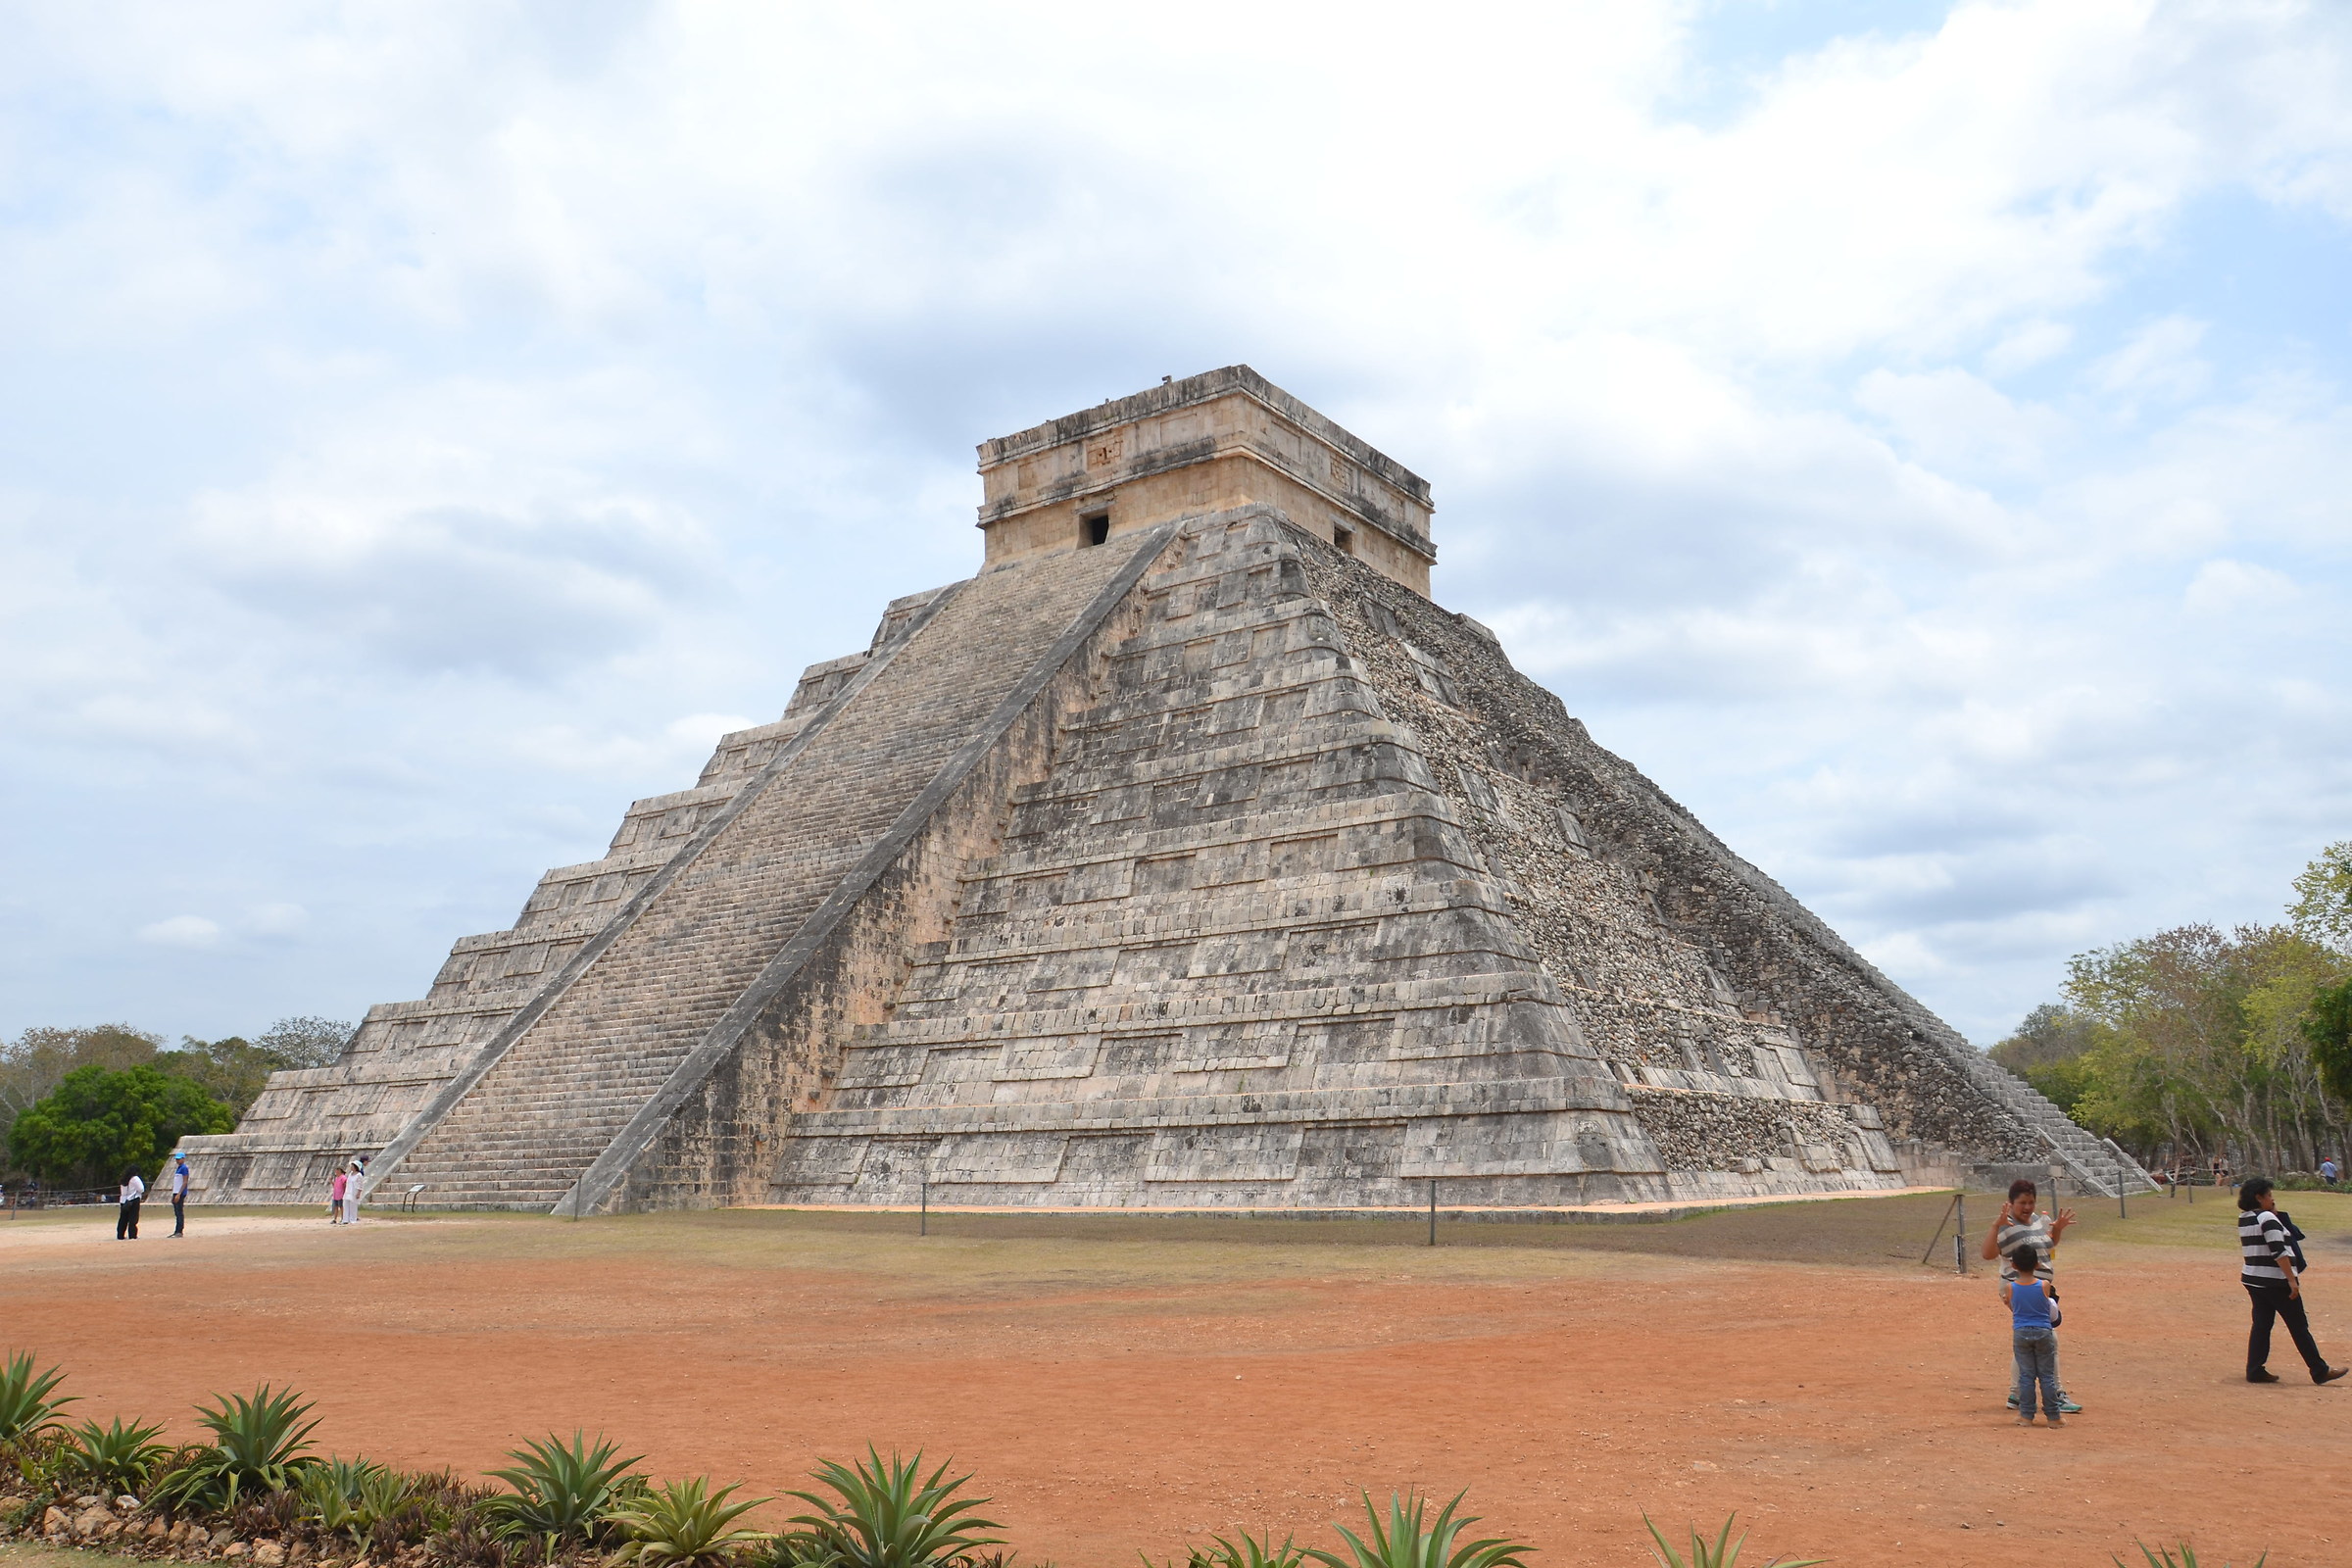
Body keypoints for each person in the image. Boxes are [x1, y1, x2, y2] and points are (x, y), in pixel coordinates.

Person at [1984, 1179, 2082, 1414]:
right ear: (2011, 1202)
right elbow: (1987, 1254)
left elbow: (2048, 1246)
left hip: (2040, 1287)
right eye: (2022, 1202)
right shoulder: (2005, 1225)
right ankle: (2055, 1393)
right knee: (2046, 1338)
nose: (2027, 1207)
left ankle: (2017, 1394)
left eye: (2031, 1202)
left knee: (2029, 1334)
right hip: (2017, 1287)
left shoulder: (2039, 1220)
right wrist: (1995, 1226)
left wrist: (2056, 1230)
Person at [2238, 1176, 2347, 1385]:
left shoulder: (2245, 1218)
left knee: (2261, 1324)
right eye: (2269, 1195)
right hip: (2275, 1281)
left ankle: (2255, 1369)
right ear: (2259, 1198)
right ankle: (2319, 1370)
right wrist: (2291, 1280)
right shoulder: (2268, 1219)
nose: (2272, 1199)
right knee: (2298, 1326)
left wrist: (2275, 1215)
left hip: (2253, 1279)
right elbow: (2279, 1252)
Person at [2002, 1244, 2063, 1426]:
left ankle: (2026, 1416)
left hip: (2021, 1332)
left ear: (2014, 1265)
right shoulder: (2045, 1285)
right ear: (2037, 1264)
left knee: (2026, 1376)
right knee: (2047, 1376)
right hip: (2043, 1331)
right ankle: (2054, 1417)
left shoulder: (2010, 1287)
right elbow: (2048, 1306)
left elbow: (2015, 1309)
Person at [115, 1169, 145, 1240]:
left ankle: (120, 1235)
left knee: (123, 1218)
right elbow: (141, 1189)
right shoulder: (135, 1179)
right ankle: (132, 1234)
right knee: (133, 1218)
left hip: (123, 1200)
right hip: (133, 1199)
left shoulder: (123, 1179)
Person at [169, 1154, 190, 1238]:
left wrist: (179, 1194)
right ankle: (177, 1230)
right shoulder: (179, 1168)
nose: (177, 1161)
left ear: (183, 1159)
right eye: (176, 1159)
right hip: (176, 1192)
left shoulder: (184, 1168)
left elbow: (185, 1181)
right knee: (177, 1212)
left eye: (179, 1159)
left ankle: (179, 1231)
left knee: (179, 1212)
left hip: (180, 1193)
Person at [341, 1159, 362, 1225]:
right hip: (348, 1191)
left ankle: (353, 1219)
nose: (351, 1167)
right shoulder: (350, 1174)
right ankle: (345, 1219)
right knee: (346, 1204)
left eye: (352, 1166)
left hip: (354, 1191)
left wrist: (358, 1193)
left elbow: (361, 1185)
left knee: (353, 1206)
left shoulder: (359, 1175)